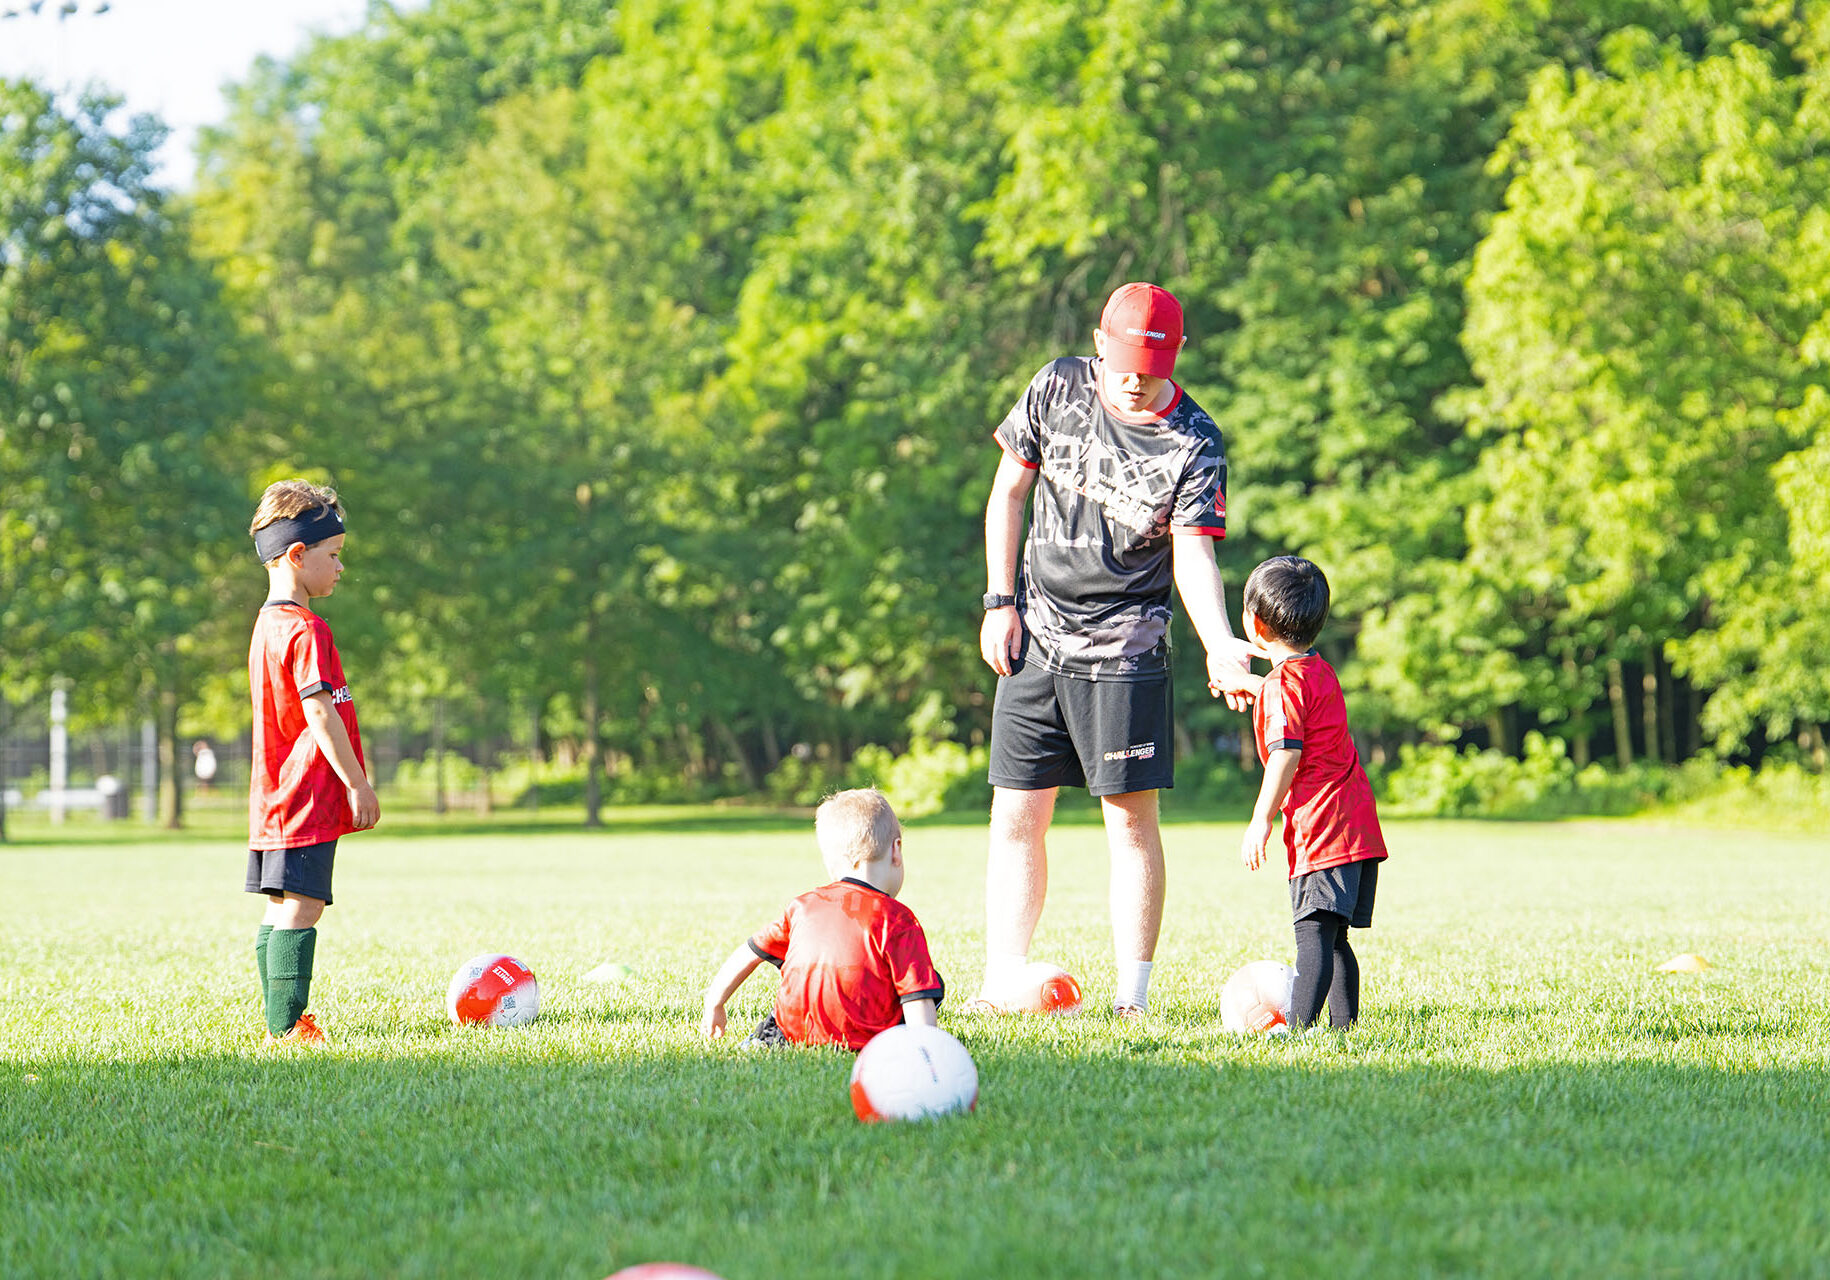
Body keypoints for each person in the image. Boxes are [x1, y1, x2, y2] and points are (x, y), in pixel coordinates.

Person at [976, 281, 1257, 1017]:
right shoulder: (1056, 386)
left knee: (1130, 824)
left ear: (1177, 355)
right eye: (1124, 360)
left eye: (1152, 364)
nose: (1134, 379)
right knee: (1015, 817)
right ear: (1099, 343)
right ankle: (1002, 980)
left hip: (1126, 652)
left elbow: (1195, 557)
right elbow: (1008, 493)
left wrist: (1219, 643)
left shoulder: (1195, 440)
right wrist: (998, 602)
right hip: (1035, 638)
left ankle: (1131, 999)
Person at [245, 479, 379, 1045]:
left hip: (274, 799)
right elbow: (320, 713)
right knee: (303, 908)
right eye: (334, 555)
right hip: (306, 796)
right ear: (297, 555)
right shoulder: (306, 629)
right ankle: (286, 1027)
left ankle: (281, 1018)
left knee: (281, 908)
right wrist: (357, 784)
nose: (340, 568)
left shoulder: (265, 625)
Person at [1238, 556, 1388, 1029]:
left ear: (1255, 624)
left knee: (1313, 936)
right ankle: (1344, 1029)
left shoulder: (1281, 687)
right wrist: (1247, 684)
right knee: (1334, 936)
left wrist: (1261, 819)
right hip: (1357, 823)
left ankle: (1299, 1029)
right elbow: (1294, 697)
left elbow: (1286, 753)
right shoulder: (1318, 670)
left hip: (1322, 829)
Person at [701, 788, 943, 1050]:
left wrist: (715, 1003)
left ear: (830, 862)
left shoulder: (802, 906)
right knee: (931, 984)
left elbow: (749, 952)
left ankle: (765, 1041)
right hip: (869, 1041)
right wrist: (926, 1051)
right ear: (896, 851)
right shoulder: (897, 919)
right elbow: (917, 997)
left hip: (791, 1032)